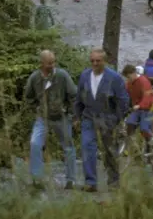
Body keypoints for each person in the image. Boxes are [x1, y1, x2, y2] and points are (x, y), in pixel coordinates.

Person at [74, 48, 129, 192]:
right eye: (92, 60)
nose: (95, 63)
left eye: (98, 61)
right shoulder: (85, 76)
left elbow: (123, 100)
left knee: (109, 150)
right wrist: (76, 116)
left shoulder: (114, 78)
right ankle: (90, 182)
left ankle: (114, 181)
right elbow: (79, 97)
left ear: (104, 61)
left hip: (107, 117)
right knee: (87, 147)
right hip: (88, 116)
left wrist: (117, 118)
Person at [24, 50, 78, 189]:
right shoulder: (35, 78)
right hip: (43, 117)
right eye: (49, 63)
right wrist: (37, 107)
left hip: (62, 117)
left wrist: (72, 113)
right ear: (41, 63)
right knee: (35, 144)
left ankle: (71, 180)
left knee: (68, 147)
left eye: (54, 62)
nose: (52, 65)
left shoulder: (62, 75)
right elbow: (28, 96)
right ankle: (37, 179)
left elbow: (73, 95)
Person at [122, 64, 153, 167]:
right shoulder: (129, 83)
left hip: (148, 108)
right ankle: (135, 149)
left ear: (134, 73)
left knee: (144, 128)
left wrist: (140, 105)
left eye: (129, 77)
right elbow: (124, 93)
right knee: (129, 123)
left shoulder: (143, 81)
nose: (128, 80)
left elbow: (147, 97)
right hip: (137, 109)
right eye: (126, 78)